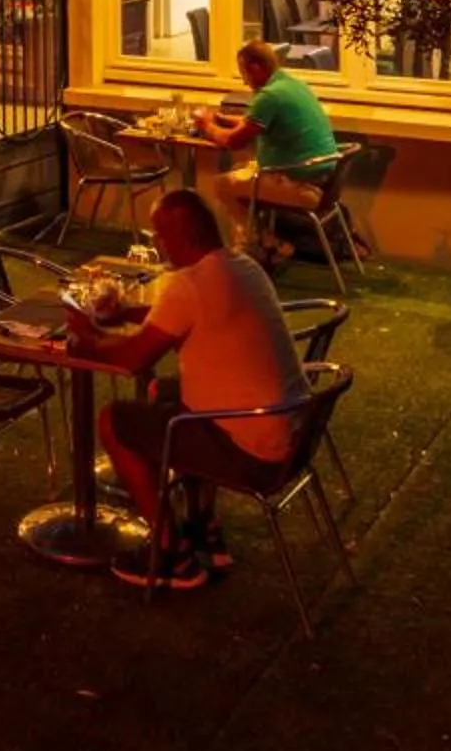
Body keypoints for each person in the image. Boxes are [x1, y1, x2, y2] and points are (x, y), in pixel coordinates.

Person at [65, 189, 312, 591]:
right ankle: (203, 528)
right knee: (168, 394)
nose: (157, 244)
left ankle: (170, 552)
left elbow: (131, 359)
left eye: (159, 236)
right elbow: (185, 313)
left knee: (115, 422)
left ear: (181, 237)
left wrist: (87, 337)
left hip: (252, 453)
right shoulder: (242, 266)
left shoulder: (189, 284)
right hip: (292, 434)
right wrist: (125, 314)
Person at [193, 40, 341, 256]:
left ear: (255, 68)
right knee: (241, 168)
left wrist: (206, 126)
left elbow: (234, 142)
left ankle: (255, 245)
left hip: (300, 185)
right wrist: (221, 119)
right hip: (323, 179)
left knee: (221, 185)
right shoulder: (292, 84)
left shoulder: (269, 96)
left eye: (243, 72)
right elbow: (254, 123)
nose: (244, 81)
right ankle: (268, 241)